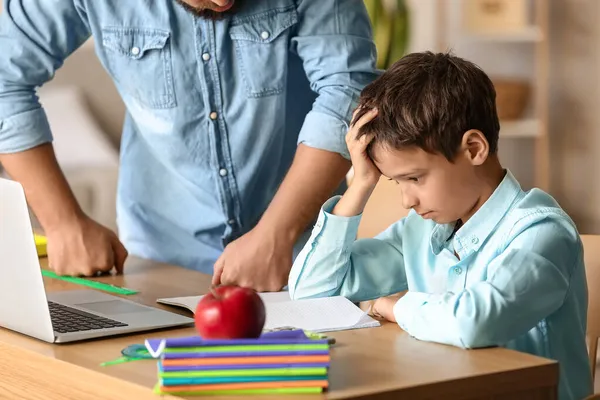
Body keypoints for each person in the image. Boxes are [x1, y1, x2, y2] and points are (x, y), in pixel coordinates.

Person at [0, 0, 379, 291]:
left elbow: (347, 90)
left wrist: (276, 233)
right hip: (156, 260)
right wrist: (63, 222)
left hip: (300, 254)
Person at [288, 51, 592, 400]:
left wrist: (393, 307)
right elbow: (312, 295)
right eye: (395, 182)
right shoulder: (420, 230)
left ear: (474, 148)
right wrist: (360, 184)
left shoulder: (542, 233)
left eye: (415, 178)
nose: (407, 200)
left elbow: (476, 322)